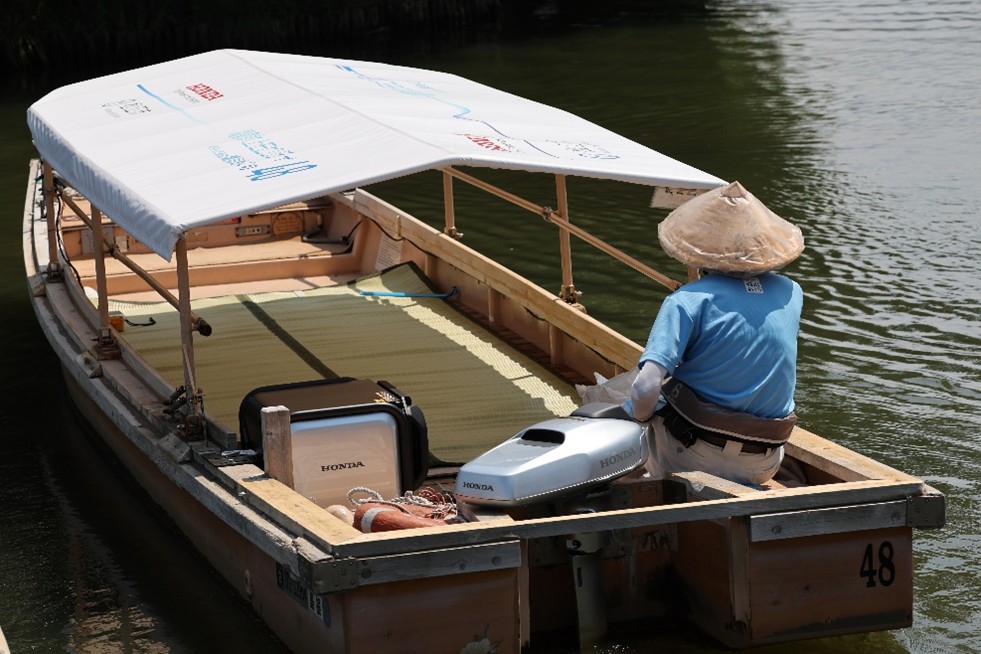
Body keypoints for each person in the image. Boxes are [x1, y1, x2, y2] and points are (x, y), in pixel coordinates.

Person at [624, 181, 804, 486]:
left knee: (635, 406)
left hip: (696, 454)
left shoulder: (687, 301)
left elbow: (645, 388)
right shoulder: (792, 292)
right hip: (767, 460)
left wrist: (640, 420)